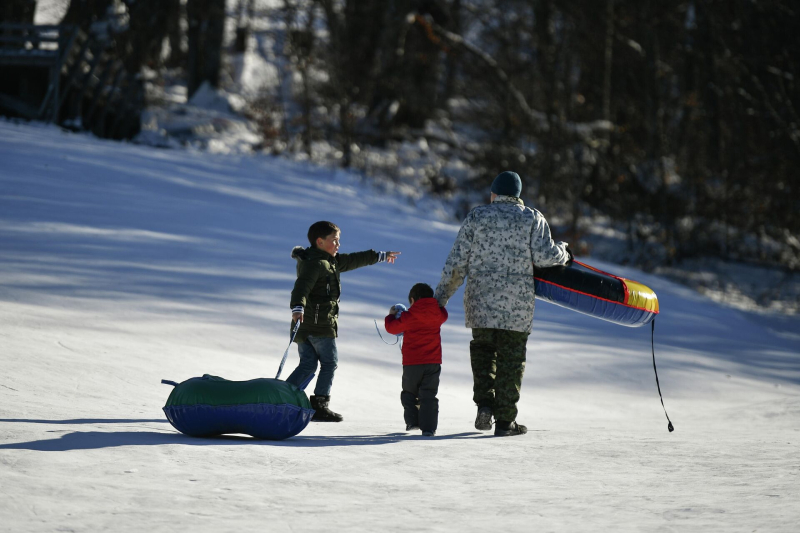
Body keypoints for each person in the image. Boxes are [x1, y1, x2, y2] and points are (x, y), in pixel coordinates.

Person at [433, 171, 572, 437]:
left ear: (494, 194)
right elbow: (545, 256)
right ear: (517, 195)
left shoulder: (477, 216)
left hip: (480, 303)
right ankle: (506, 421)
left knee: (484, 353)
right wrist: (564, 250)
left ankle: (484, 404)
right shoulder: (533, 217)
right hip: (516, 308)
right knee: (511, 359)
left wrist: (440, 299)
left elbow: (456, 263)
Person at [286, 221, 400, 422]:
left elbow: (354, 259)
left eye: (339, 240)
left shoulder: (327, 261)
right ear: (320, 242)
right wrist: (297, 307)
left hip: (305, 326)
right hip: (319, 325)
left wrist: (379, 256)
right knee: (329, 362)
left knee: (308, 364)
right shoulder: (317, 264)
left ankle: (283, 397)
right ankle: (319, 405)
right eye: (334, 240)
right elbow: (301, 287)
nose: (338, 244)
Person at [384, 283, 449, 437]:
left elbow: (392, 328)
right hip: (433, 362)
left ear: (412, 299)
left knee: (409, 392)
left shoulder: (409, 316)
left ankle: (412, 421)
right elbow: (444, 315)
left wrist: (391, 315)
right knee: (429, 395)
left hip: (412, 363)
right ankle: (428, 429)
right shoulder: (438, 314)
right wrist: (438, 306)